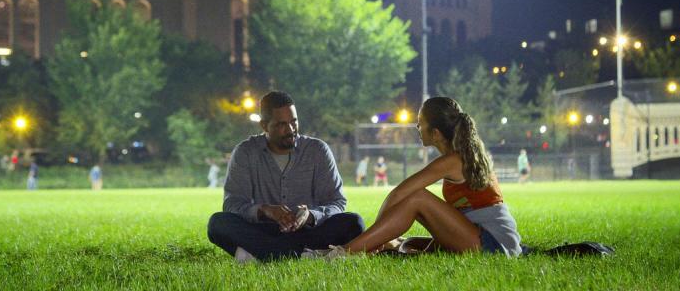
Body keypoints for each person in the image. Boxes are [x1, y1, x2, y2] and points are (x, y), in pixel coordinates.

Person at [307, 97, 522, 259]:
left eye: (420, 123)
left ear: (436, 133)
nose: (417, 128)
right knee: (415, 215)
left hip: (493, 244)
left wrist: (374, 236)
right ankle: (371, 245)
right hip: (490, 238)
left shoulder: (451, 161)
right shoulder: (461, 156)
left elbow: (401, 192)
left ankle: (342, 253)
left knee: (417, 198)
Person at [207, 91, 365, 262]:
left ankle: (259, 255)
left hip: (307, 231)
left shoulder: (317, 150)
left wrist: (310, 216)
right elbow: (232, 204)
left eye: (294, 122)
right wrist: (264, 210)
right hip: (262, 230)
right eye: (282, 124)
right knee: (217, 223)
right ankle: (303, 255)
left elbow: (337, 202)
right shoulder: (245, 152)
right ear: (264, 126)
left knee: (353, 222)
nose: (291, 130)